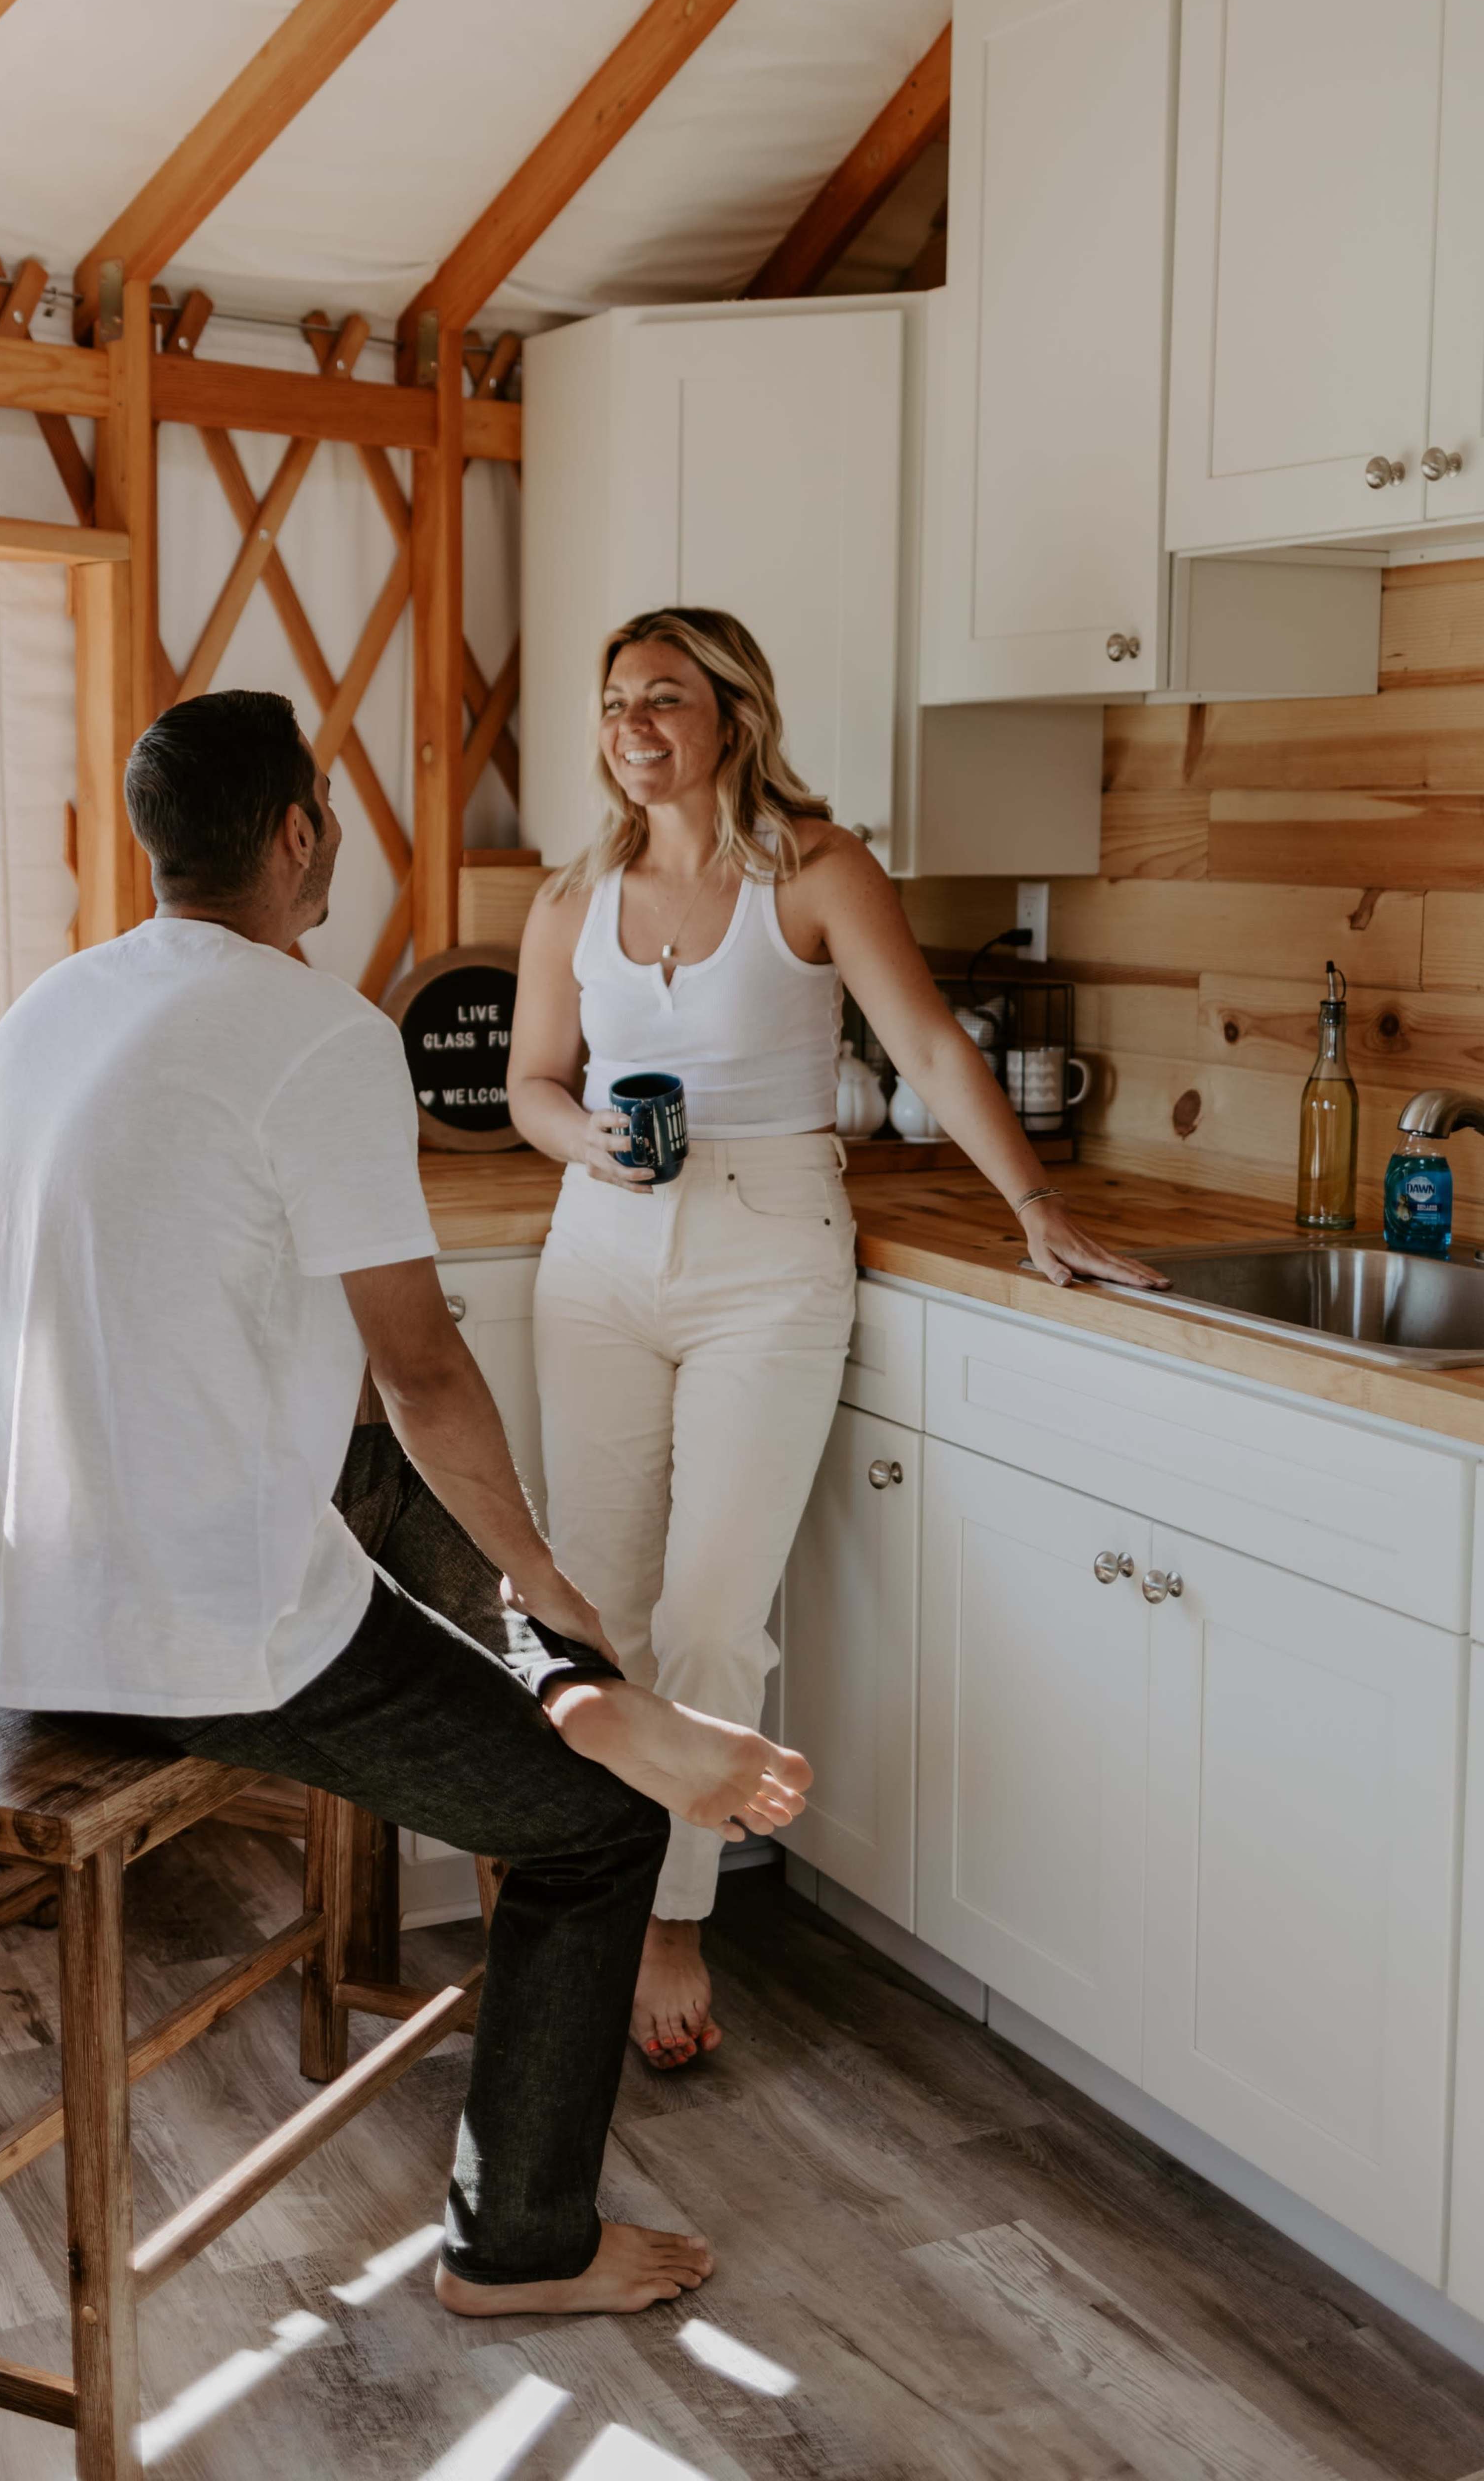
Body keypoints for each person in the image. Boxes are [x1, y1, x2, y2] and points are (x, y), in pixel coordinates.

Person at [0, 686, 814, 2317]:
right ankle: (520, 2239)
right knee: (600, 1835)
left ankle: (580, 1691)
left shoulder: (50, 1005)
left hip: (36, 1609)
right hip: (200, 1640)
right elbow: (418, 1368)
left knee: (382, 1489)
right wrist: (548, 1571)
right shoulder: (319, 1031)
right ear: (298, 834)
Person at [509, 607, 1163, 2072]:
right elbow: (534, 1082)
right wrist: (595, 1142)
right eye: (616, 702)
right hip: (600, 1252)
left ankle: (675, 1915)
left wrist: (1036, 1205)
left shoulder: (813, 868)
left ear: (734, 715)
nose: (634, 727)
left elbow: (929, 1044)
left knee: (712, 1610)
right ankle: (587, 1898)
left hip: (770, 1256)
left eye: (665, 699)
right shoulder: (573, 895)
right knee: (594, 1602)